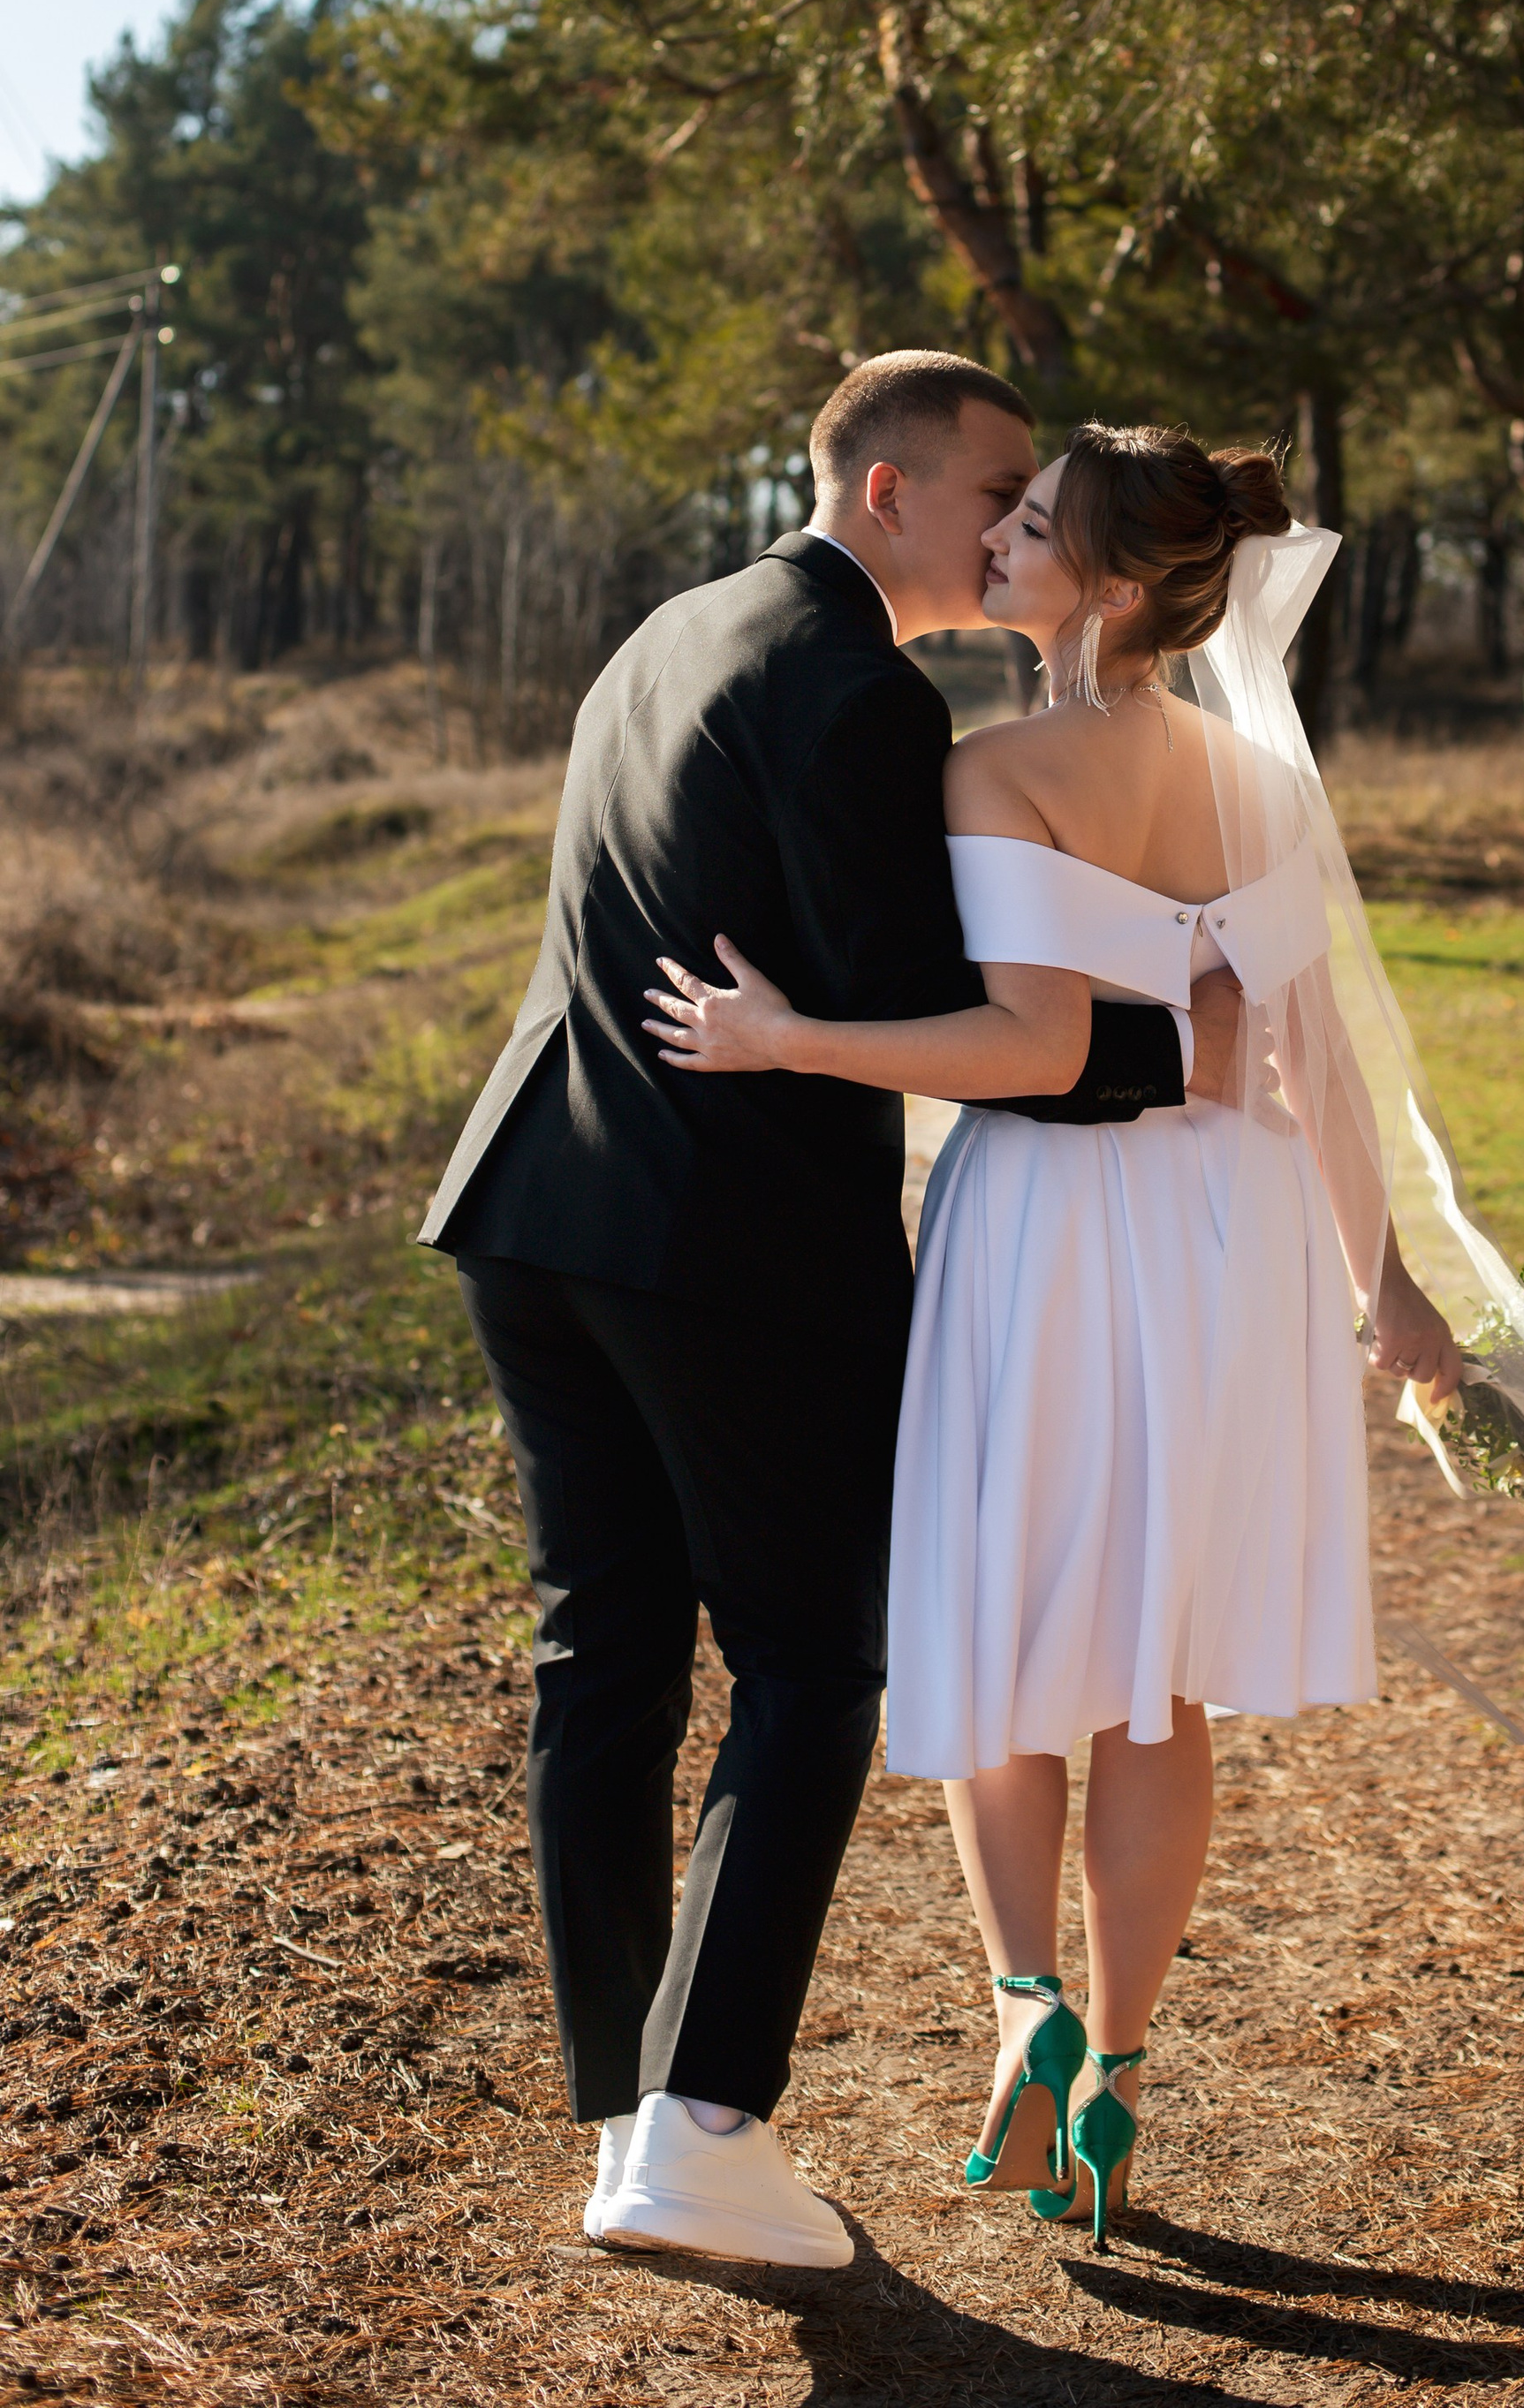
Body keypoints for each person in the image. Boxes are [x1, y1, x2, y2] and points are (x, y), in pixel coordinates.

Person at [420, 356, 1243, 2271]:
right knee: (806, 1665)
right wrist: (1183, 1040)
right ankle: (705, 2129)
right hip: (715, 1247)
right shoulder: (860, 685)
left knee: (603, 1672)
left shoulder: (670, 628)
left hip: (534, 1206)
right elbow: (945, 1011)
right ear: (888, 490)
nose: (1016, 520)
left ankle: (630, 2112)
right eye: (997, 487)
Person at [643, 423, 1477, 2251]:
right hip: (1230, 1230)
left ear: (1107, 586)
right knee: (1154, 1671)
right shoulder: (1257, 783)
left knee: (1008, 1631)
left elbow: (1022, 1046)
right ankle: (1112, 2065)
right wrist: (1382, 1283)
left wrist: (791, 1044)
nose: (1000, 541)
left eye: (1031, 527)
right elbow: (1309, 1057)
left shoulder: (990, 768)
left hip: (1045, 1216)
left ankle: (1020, 2004)